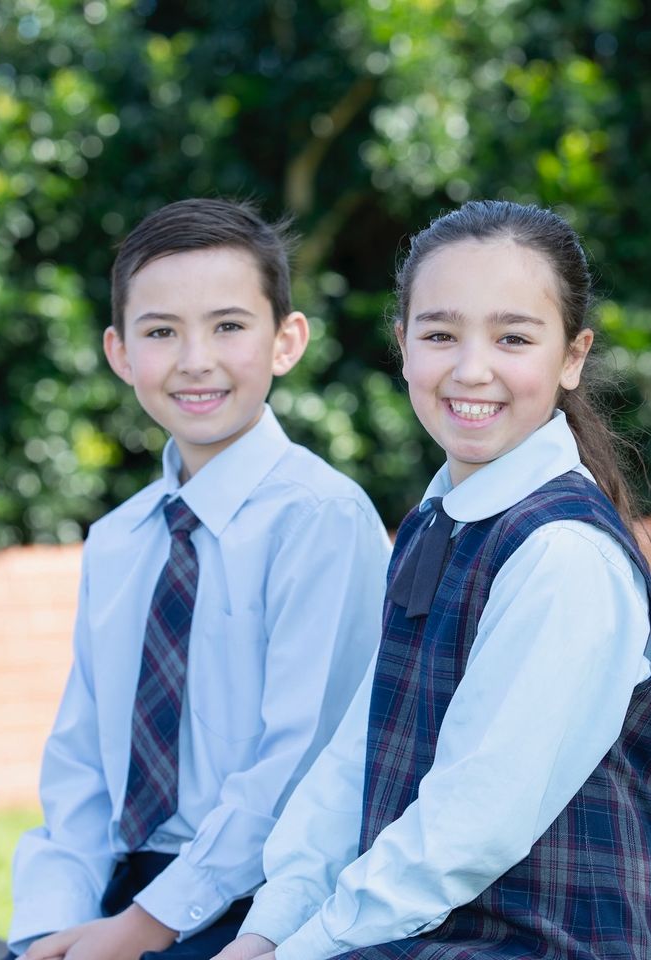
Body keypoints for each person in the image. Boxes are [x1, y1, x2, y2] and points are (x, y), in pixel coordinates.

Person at [216, 199, 651, 960]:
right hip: (418, 930)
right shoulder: (436, 520)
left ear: (573, 356)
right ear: (404, 346)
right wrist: (266, 930)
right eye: (440, 334)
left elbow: (468, 827)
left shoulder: (563, 556)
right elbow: (354, 761)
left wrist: (302, 950)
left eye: (513, 337)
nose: (470, 368)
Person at [7, 198, 392, 960]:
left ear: (287, 341)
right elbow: (82, 761)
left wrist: (142, 929)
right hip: (125, 887)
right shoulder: (118, 538)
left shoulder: (321, 519)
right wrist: (50, 928)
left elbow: (298, 767)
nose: (194, 360)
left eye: (228, 326)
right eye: (160, 332)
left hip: (269, 899)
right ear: (120, 353)